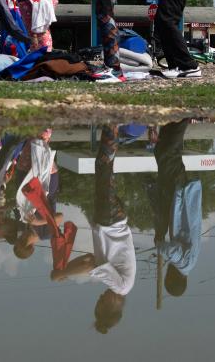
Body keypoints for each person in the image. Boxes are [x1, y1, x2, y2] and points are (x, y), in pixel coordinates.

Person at [52, 125, 135, 333]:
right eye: (100, 302)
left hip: (110, 220)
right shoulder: (120, 286)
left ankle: (112, 126)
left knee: (104, 169)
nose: (99, 297)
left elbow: (89, 258)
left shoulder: (118, 284)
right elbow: (89, 264)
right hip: (110, 221)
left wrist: (65, 271)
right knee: (104, 167)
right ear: (110, 307)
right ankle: (113, 124)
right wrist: (62, 273)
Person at [149, 120, 202, 297]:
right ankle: (184, 118)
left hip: (180, 201)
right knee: (168, 155)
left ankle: (171, 123)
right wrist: (159, 247)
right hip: (179, 199)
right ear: (172, 278)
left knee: (162, 154)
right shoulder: (184, 264)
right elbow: (172, 250)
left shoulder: (191, 263)